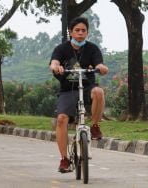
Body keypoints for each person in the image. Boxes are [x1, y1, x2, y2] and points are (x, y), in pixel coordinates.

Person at [49, 17, 108, 173]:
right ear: (70, 32)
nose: (80, 33)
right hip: (68, 90)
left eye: (84, 30)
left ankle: (95, 126)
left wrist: (101, 67)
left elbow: (99, 63)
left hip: (87, 87)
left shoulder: (92, 48)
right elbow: (54, 62)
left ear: (87, 32)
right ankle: (64, 159)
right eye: (77, 30)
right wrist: (56, 67)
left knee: (99, 91)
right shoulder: (61, 49)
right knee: (61, 119)